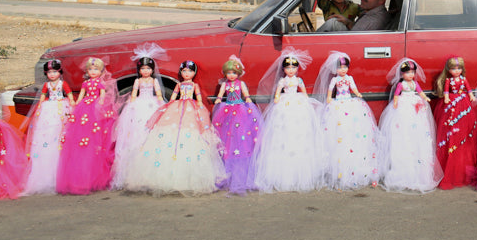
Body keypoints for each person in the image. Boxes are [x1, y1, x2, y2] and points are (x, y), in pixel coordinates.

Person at [124, 60, 226, 195]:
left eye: (190, 71)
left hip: (191, 107)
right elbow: (173, 96)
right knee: (170, 130)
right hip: (178, 106)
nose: (187, 73)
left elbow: (199, 96)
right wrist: (170, 103)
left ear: (194, 73)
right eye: (184, 71)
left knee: (190, 130)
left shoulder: (194, 85)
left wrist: (200, 104)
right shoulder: (179, 85)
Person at [254, 49, 327, 192]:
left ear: (297, 68)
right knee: (283, 130)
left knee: (300, 131)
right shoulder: (283, 80)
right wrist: (276, 98)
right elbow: (278, 92)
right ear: (284, 69)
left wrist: (307, 100)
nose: (291, 70)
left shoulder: (298, 80)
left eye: (294, 67)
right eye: (288, 68)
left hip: (298, 102)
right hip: (285, 102)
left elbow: (304, 92)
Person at [314, 52, 379, 190]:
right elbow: (330, 90)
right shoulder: (335, 80)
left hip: (350, 102)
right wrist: (329, 99)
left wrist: (357, 93)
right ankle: (338, 168)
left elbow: (353, 88)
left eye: (345, 67)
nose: (343, 70)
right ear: (335, 69)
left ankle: (357, 166)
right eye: (340, 67)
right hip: (339, 103)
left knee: (353, 130)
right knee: (339, 131)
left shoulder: (349, 78)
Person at [377, 58, 442, 192]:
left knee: (417, 133)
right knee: (402, 132)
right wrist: (395, 103)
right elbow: (396, 95)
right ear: (402, 74)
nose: (410, 75)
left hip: (414, 105)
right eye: (407, 72)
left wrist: (425, 98)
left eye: (412, 72)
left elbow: (420, 92)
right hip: (403, 105)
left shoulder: (414, 83)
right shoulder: (401, 85)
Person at [56, 57, 116, 195]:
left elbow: (102, 94)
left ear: (101, 71)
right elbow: (82, 94)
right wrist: (77, 103)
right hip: (85, 107)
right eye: (90, 69)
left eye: (96, 69)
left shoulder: (100, 83)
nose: (93, 72)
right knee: (82, 133)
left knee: (96, 134)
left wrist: (101, 102)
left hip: (95, 107)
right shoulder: (86, 83)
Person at [110, 45, 166, 189]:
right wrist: (131, 103)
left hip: (151, 103)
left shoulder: (153, 81)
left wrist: (161, 102)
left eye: (148, 68)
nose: (145, 71)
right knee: (135, 131)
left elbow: (158, 93)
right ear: (139, 70)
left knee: (150, 129)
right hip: (139, 104)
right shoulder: (138, 81)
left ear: (152, 70)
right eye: (143, 69)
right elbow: (134, 93)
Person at [212, 56, 263, 195]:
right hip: (227, 110)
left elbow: (246, 94)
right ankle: (227, 167)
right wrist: (217, 100)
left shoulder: (241, 84)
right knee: (227, 136)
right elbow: (222, 94)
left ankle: (242, 167)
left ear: (238, 74)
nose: (231, 75)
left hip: (240, 109)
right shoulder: (225, 84)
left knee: (241, 136)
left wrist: (248, 101)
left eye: (234, 73)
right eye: (229, 73)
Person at [23, 59, 75, 195]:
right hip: (49, 107)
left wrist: (73, 103)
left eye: (54, 72)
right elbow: (43, 96)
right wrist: (40, 106)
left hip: (61, 106)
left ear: (59, 72)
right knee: (46, 133)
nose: (52, 75)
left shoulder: (63, 83)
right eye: (49, 72)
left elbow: (69, 94)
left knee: (61, 131)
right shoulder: (47, 85)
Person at [432, 56, 477, 189]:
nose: (457, 71)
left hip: (463, 103)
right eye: (454, 68)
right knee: (449, 131)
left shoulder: (464, 79)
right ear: (449, 70)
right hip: (451, 103)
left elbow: (468, 89)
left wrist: (470, 95)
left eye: (459, 68)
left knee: (464, 132)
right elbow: (446, 90)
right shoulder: (448, 80)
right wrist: (446, 97)